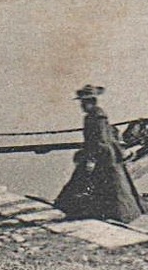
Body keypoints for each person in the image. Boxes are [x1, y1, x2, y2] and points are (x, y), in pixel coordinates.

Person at [55, 85, 143, 222]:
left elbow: (100, 140)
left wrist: (91, 159)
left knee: (100, 183)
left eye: (83, 103)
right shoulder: (96, 115)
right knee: (107, 185)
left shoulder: (96, 117)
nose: (81, 106)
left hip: (102, 156)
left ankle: (115, 213)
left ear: (90, 102)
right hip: (104, 155)